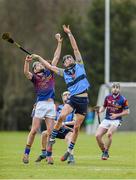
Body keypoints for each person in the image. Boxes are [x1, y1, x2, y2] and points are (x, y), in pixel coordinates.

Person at [31, 24, 90, 164]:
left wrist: (69, 34)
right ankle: (52, 138)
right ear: (64, 64)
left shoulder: (80, 65)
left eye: (70, 58)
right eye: (66, 60)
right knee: (62, 115)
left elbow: (75, 48)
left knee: (76, 128)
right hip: (74, 99)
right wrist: (39, 58)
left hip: (84, 100)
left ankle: (69, 150)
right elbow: (50, 66)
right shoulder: (64, 73)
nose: (68, 59)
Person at [22, 33, 63, 164]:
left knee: (51, 132)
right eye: (37, 65)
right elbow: (26, 73)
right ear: (35, 69)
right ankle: (26, 154)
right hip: (40, 104)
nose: (40, 65)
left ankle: (49, 155)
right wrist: (27, 62)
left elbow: (56, 57)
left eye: (39, 64)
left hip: (51, 105)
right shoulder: (35, 78)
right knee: (34, 131)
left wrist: (59, 43)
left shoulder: (49, 72)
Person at [35, 91, 75, 164]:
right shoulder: (58, 108)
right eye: (65, 95)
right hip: (57, 129)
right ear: (62, 97)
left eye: (69, 94)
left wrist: (64, 123)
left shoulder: (74, 107)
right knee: (44, 134)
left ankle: (71, 157)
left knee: (69, 138)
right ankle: (45, 153)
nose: (67, 96)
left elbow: (75, 121)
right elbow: (52, 119)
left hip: (68, 130)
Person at [95, 82, 130, 160]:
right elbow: (104, 107)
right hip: (107, 119)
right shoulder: (107, 97)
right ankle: (104, 151)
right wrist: (100, 111)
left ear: (119, 89)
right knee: (97, 136)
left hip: (116, 120)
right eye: (114, 87)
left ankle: (106, 151)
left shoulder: (123, 99)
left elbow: (127, 112)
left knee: (109, 134)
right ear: (111, 88)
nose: (115, 89)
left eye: (117, 87)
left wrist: (116, 115)